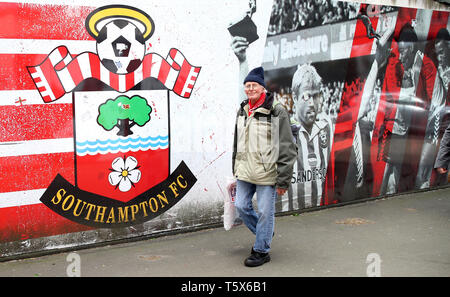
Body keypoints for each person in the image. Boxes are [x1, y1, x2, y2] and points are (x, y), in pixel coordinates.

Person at [232, 66, 297, 267]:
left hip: (267, 173)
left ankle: (261, 250)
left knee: (265, 213)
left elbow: (288, 147)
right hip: (244, 171)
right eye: (247, 85)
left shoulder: (276, 111)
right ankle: (265, 232)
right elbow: (237, 142)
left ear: (262, 88)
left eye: (254, 85)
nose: (250, 89)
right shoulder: (242, 109)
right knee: (241, 206)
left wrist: (283, 180)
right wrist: (235, 168)